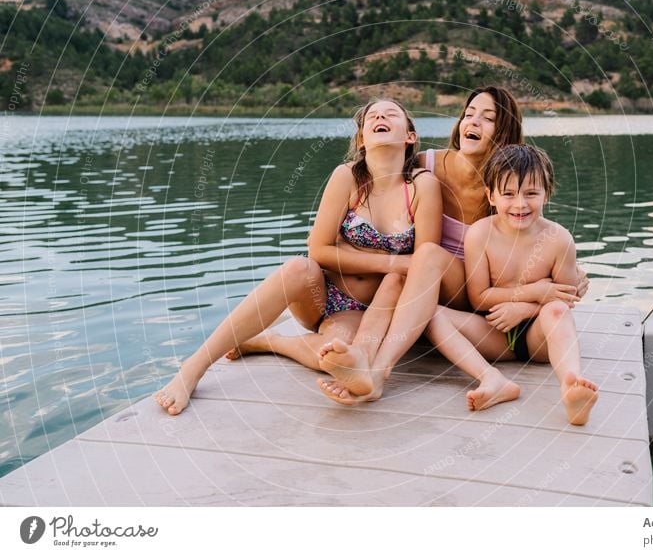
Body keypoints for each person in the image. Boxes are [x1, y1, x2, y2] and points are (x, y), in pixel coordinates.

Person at [154, 99, 441, 415]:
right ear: (362, 139)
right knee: (298, 267)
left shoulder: (422, 186)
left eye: (390, 114)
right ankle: (193, 367)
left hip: (371, 310)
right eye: (372, 116)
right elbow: (318, 250)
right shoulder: (347, 177)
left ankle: (270, 342)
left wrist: (359, 255)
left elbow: (424, 264)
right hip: (323, 293)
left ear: (410, 136)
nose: (380, 117)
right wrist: (389, 261)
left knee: (335, 355)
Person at [317, 87, 589, 404]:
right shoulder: (423, 165)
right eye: (468, 114)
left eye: (488, 118)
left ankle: (378, 367)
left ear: (505, 134)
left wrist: (569, 276)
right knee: (419, 262)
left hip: (482, 291)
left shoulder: (507, 185)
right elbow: (378, 179)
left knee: (426, 259)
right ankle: (371, 366)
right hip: (433, 281)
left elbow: (535, 236)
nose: (473, 122)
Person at [426, 144, 598, 425]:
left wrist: (525, 309)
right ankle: (491, 378)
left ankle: (572, 385)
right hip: (493, 332)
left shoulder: (558, 239)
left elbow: (566, 299)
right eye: (508, 194)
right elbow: (479, 298)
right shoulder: (480, 234)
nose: (520, 204)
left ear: (547, 193)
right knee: (431, 314)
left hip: (537, 339)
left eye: (531, 193)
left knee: (555, 311)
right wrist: (535, 291)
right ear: (490, 196)